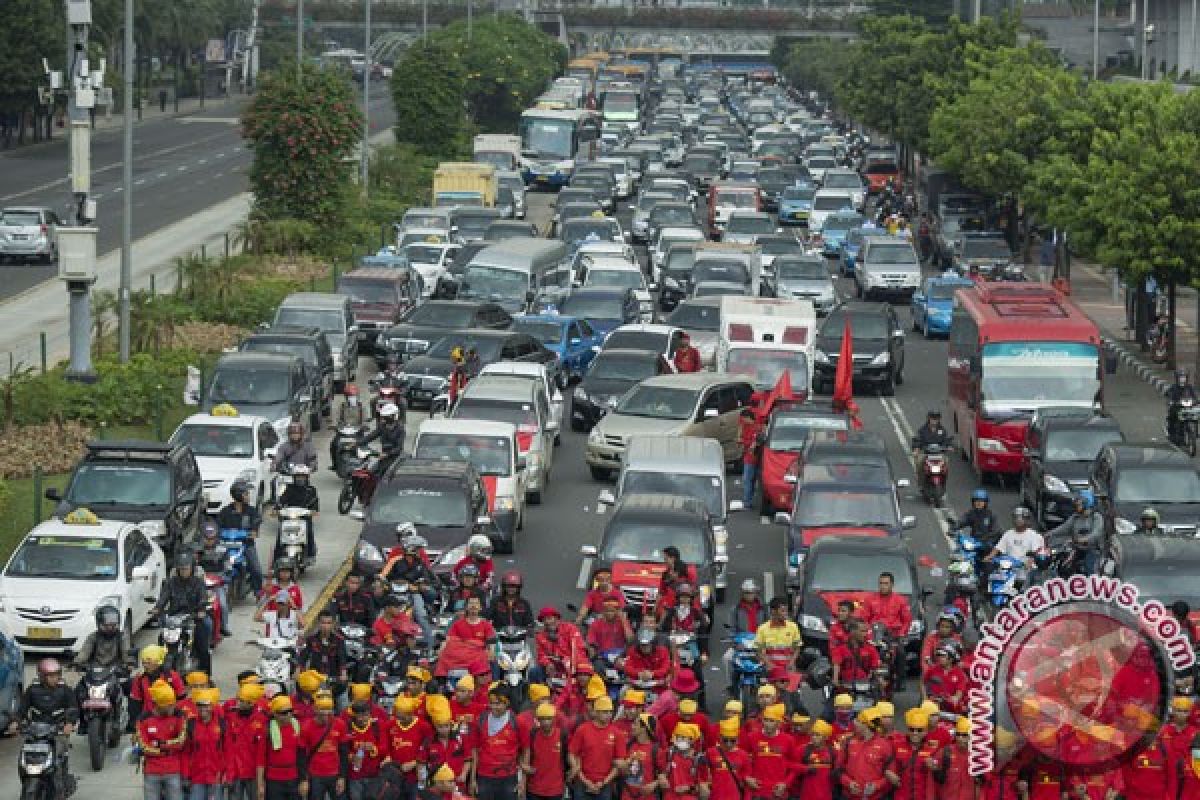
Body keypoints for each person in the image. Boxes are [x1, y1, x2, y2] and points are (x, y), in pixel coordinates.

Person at [152, 552, 213, 675]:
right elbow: (164, 597)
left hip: (194, 617)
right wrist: (158, 608)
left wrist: (201, 610)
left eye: (186, 569)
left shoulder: (198, 583)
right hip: (174, 618)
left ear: (192, 568)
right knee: (161, 638)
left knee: (203, 640)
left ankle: (206, 675)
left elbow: (203, 597)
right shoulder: (171, 583)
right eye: (181, 569)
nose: (184, 571)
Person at [385, 529, 439, 645]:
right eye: (419, 549)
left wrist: (422, 585)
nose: (421, 552)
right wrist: (383, 582)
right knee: (383, 611)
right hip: (395, 593)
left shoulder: (421, 564)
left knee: (420, 613)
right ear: (411, 549)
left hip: (414, 593)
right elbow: (385, 576)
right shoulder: (396, 561)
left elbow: (431, 579)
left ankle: (429, 642)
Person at [136, 679, 188, 800]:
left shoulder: (179, 715)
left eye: (173, 703)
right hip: (152, 771)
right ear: (159, 704)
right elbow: (144, 746)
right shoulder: (143, 719)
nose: (173, 706)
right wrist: (167, 749)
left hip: (173, 770)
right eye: (169, 704)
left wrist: (159, 744)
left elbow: (181, 741)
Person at [568, 695, 625, 800]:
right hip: (582, 783)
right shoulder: (582, 729)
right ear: (596, 712)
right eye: (604, 712)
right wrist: (584, 780)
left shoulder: (617, 734)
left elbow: (619, 764)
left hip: (605, 785)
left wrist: (604, 782)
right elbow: (572, 754)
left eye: (610, 712)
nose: (608, 715)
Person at [473, 686, 525, 800]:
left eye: (498, 704)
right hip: (484, 776)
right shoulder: (481, 719)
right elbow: (475, 750)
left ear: (507, 703)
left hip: (509, 777)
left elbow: (525, 750)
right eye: (491, 703)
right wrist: (473, 779)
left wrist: (522, 781)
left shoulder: (516, 721)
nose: (493, 707)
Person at [863, 572, 913, 690]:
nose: (883, 586)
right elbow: (864, 618)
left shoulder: (900, 600)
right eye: (880, 583)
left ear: (892, 585)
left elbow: (907, 620)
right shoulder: (870, 599)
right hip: (874, 635)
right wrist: (867, 632)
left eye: (886, 583)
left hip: (893, 636)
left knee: (900, 652)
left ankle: (901, 681)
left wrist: (901, 634)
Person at [216, 481, 265, 596]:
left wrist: (253, 532)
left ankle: (258, 591)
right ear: (238, 495)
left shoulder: (252, 511)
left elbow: (256, 525)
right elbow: (217, 526)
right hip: (227, 545)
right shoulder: (225, 511)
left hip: (246, 545)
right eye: (246, 494)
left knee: (256, 569)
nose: (248, 496)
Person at [72, 604, 128, 701]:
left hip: (115, 672)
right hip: (94, 672)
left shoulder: (122, 637)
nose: (110, 627)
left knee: (130, 689)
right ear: (99, 623)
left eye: (113, 625)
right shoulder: (93, 637)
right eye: (106, 625)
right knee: (78, 692)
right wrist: (77, 662)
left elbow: (126, 652)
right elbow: (84, 652)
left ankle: (128, 713)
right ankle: (78, 715)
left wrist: (129, 663)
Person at [258, 694, 307, 800]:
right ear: (274, 713)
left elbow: (302, 755)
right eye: (284, 713)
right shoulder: (267, 731)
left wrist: (304, 780)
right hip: (274, 781)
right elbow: (260, 759)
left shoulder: (297, 727)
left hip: (294, 778)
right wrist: (260, 784)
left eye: (290, 711)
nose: (288, 715)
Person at [838, 708, 894, 800]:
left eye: (858, 720)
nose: (854, 722)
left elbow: (891, 774)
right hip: (849, 796)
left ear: (866, 725)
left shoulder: (885, 746)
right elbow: (837, 770)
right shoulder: (848, 742)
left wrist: (876, 785)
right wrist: (848, 783)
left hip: (875, 797)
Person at [743, 703, 796, 800]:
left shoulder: (788, 740)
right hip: (757, 792)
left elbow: (794, 766)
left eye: (771, 721)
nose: (767, 724)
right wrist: (747, 778)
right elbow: (741, 759)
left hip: (777, 793)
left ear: (779, 723)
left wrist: (785, 783)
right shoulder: (752, 737)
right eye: (765, 720)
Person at [1046, 489, 1105, 575]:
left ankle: (1090, 584)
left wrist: (1082, 539)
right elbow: (1063, 528)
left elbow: (1096, 534)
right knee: (1062, 562)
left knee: (1089, 568)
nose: (1076, 505)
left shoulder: (1096, 517)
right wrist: (1049, 533)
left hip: (1092, 549)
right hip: (1077, 548)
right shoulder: (1075, 517)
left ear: (1086, 504)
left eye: (1079, 503)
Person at [300, 693, 347, 800]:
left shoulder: (340, 724)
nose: (325, 717)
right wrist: (304, 780)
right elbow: (301, 755)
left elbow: (344, 752)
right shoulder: (306, 727)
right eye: (322, 713)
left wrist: (342, 777)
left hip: (335, 774)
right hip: (315, 776)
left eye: (328, 713)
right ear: (315, 710)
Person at [985, 507, 1045, 586]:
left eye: (1021, 518)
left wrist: (1030, 561)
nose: (1018, 520)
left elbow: (1037, 552)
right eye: (1016, 518)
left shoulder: (1033, 535)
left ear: (1027, 520)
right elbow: (998, 548)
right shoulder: (1008, 534)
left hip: (1025, 572)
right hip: (1008, 569)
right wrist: (989, 557)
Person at [185, 687, 226, 800]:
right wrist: (186, 775)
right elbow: (186, 752)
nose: (203, 708)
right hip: (197, 776)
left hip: (216, 775)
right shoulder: (190, 724)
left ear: (212, 706)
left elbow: (227, 750)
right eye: (199, 705)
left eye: (206, 705)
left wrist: (226, 772)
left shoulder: (222, 724)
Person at [524, 702, 570, 800]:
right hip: (534, 789)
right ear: (538, 720)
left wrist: (572, 773)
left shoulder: (562, 735)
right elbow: (523, 754)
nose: (545, 722)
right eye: (542, 719)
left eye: (549, 718)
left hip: (555, 790)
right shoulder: (533, 734)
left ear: (554, 719)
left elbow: (569, 757)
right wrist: (523, 765)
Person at [276, 463, 320, 566]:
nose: (300, 478)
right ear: (294, 477)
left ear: (307, 477)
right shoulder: (288, 488)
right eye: (298, 476)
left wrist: (313, 511)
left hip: (304, 518)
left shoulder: (311, 490)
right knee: (280, 537)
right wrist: (277, 509)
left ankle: (310, 554)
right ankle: (276, 559)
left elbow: (315, 503)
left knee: (309, 532)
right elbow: (281, 501)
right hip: (288, 518)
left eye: (303, 476)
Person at [195, 524, 234, 637]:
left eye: (212, 538)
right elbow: (193, 565)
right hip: (201, 581)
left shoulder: (223, 549)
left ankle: (223, 626)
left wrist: (226, 576)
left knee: (222, 605)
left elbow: (228, 566)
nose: (209, 541)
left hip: (218, 582)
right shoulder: (197, 550)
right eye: (207, 538)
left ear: (216, 538)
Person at [298, 610, 349, 693]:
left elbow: (342, 658)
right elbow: (303, 656)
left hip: (334, 680)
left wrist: (343, 674)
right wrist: (299, 670)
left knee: (343, 703)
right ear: (318, 623)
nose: (325, 626)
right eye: (323, 623)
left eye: (328, 623)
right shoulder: (311, 639)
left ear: (333, 624)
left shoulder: (340, 640)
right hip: (314, 679)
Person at [830, 620, 882, 697]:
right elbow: (836, 665)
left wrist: (880, 680)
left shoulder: (871, 648)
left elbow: (875, 667)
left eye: (866, 631)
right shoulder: (840, 648)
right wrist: (835, 680)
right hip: (845, 689)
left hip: (866, 689)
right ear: (853, 632)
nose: (865, 634)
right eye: (862, 631)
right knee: (830, 708)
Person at [537, 607, 588, 682]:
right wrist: (547, 663)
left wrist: (572, 666)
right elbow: (541, 656)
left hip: (574, 664)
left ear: (557, 618)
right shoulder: (540, 636)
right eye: (544, 620)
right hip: (555, 667)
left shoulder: (570, 629)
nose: (547, 622)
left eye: (549, 618)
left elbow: (578, 650)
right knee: (535, 672)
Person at [661, 722, 710, 800]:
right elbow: (660, 772)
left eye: (683, 737)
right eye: (678, 737)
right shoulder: (669, 754)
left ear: (691, 740)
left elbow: (705, 790)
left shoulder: (700, 759)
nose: (679, 740)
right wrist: (662, 778)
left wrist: (689, 788)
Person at [622, 714, 666, 800]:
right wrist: (628, 761)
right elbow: (622, 769)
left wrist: (654, 784)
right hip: (627, 795)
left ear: (644, 728)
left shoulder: (656, 750)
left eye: (635, 724)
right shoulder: (629, 745)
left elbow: (665, 773)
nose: (632, 726)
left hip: (647, 797)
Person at [753, 597, 802, 673]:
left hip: (788, 669)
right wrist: (769, 665)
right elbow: (758, 651)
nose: (785, 614)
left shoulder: (793, 626)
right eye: (782, 611)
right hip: (770, 670)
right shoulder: (762, 628)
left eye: (786, 611)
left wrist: (792, 663)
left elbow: (797, 648)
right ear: (773, 611)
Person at [361, 402, 406, 481]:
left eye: (387, 416)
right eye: (384, 416)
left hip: (395, 458)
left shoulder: (400, 429)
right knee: (370, 473)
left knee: (383, 475)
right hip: (382, 457)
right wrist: (357, 443)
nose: (384, 418)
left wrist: (387, 454)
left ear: (394, 416)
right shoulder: (382, 427)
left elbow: (399, 447)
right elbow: (371, 436)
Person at [931, 718, 975, 800]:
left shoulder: (978, 757)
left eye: (964, 735)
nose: (960, 738)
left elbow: (984, 784)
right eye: (958, 734)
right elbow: (931, 778)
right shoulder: (944, 752)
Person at [707, 716, 749, 800]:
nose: (728, 744)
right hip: (716, 796)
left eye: (732, 740)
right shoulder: (710, 752)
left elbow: (746, 780)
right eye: (725, 740)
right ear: (720, 737)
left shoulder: (743, 755)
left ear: (737, 739)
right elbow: (703, 775)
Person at [912, 410, 951, 475]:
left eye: (936, 418)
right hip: (926, 453)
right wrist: (916, 449)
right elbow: (918, 439)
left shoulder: (942, 430)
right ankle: (918, 475)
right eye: (932, 418)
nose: (934, 420)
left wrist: (949, 446)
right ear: (929, 419)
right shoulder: (922, 430)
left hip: (939, 454)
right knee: (919, 461)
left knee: (946, 461)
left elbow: (946, 439)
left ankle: (943, 476)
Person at [738, 408, 763, 508]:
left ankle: (747, 502)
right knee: (751, 480)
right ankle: (749, 500)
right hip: (750, 456)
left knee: (747, 479)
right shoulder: (747, 427)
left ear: (748, 417)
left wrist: (742, 441)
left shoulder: (756, 428)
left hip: (751, 457)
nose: (742, 421)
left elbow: (753, 443)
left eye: (743, 418)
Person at [1167, 368, 1198, 442]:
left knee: (1195, 416)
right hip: (1177, 407)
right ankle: (1172, 433)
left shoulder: (1189, 387)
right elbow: (1168, 393)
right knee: (1172, 415)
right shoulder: (1174, 387)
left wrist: (1196, 400)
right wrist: (1171, 401)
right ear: (1177, 378)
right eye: (1181, 377)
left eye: (1184, 377)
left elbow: (1195, 396)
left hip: (1188, 407)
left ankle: (1195, 432)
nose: (1182, 379)